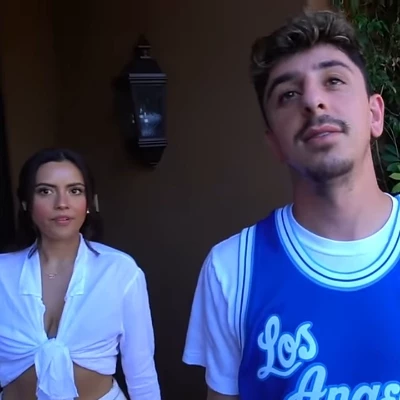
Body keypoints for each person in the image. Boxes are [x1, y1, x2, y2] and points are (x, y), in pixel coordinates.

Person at [182, 9, 399, 400]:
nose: (313, 101)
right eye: (289, 94)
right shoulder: (231, 269)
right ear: (274, 144)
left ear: (374, 114)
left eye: (333, 80)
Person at [0, 148, 161, 400]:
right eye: (46, 191)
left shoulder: (119, 271)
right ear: (26, 203)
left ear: (89, 202)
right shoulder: (3, 274)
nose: (61, 203)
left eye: (75, 190)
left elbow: (141, 373)